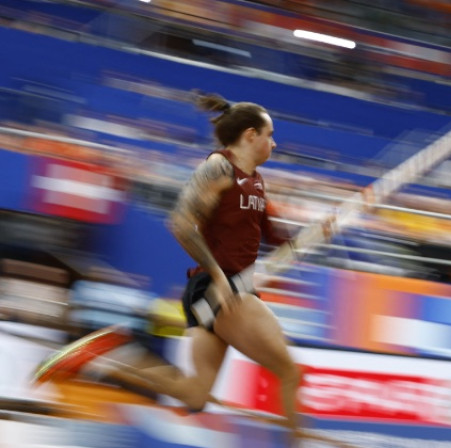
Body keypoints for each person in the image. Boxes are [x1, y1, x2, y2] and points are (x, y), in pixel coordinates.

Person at [36, 92, 306, 442]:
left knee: (194, 394)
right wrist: (221, 277)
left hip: (222, 291)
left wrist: (312, 234)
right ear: (250, 135)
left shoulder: (256, 182)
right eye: (270, 135)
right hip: (219, 288)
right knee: (289, 373)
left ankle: (103, 354)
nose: (275, 143)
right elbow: (181, 223)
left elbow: (280, 244)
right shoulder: (219, 167)